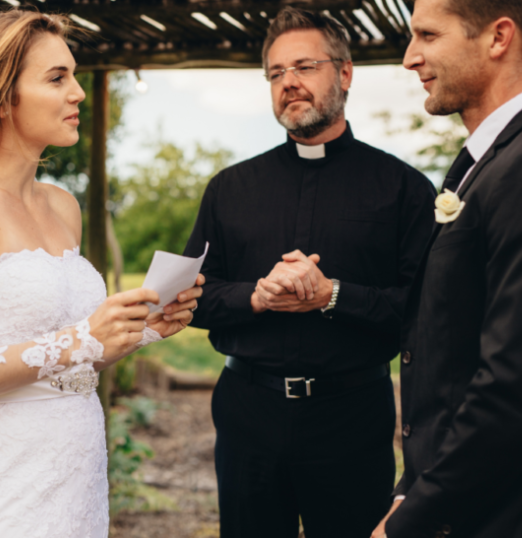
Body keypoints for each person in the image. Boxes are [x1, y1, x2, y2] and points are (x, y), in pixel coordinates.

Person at [0, 10, 202, 538]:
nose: (78, 93)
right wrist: (81, 337)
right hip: (1, 491)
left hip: (77, 481)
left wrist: (139, 329)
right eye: (56, 78)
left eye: (74, 76)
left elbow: (65, 361)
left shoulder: (64, 207)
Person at [183, 7, 436, 538]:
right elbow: (193, 299)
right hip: (248, 413)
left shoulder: (404, 189)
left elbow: (422, 312)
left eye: (304, 66)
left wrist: (333, 295)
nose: (289, 83)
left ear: (344, 74)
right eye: (276, 73)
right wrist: (256, 296)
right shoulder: (230, 189)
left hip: (352, 416)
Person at [372, 1, 522, 537]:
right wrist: (410, 486)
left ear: (499, 38)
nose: (410, 58)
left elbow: (515, 388)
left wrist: (411, 519)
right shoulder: (492, 161)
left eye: (428, 35)